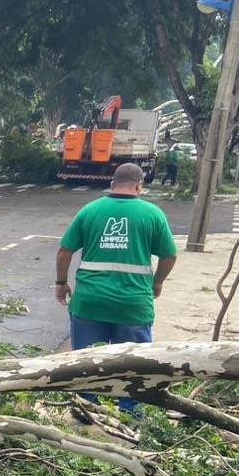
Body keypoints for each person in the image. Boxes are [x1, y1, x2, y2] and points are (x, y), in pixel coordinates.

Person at [55, 162, 178, 416]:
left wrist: (61, 283)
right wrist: (157, 282)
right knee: (134, 362)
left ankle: (88, 409)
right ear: (139, 185)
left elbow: (65, 250)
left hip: (90, 301)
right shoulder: (152, 214)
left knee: (86, 361)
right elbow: (169, 256)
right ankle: (130, 412)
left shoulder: (90, 210)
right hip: (133, 304)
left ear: (112, 184)